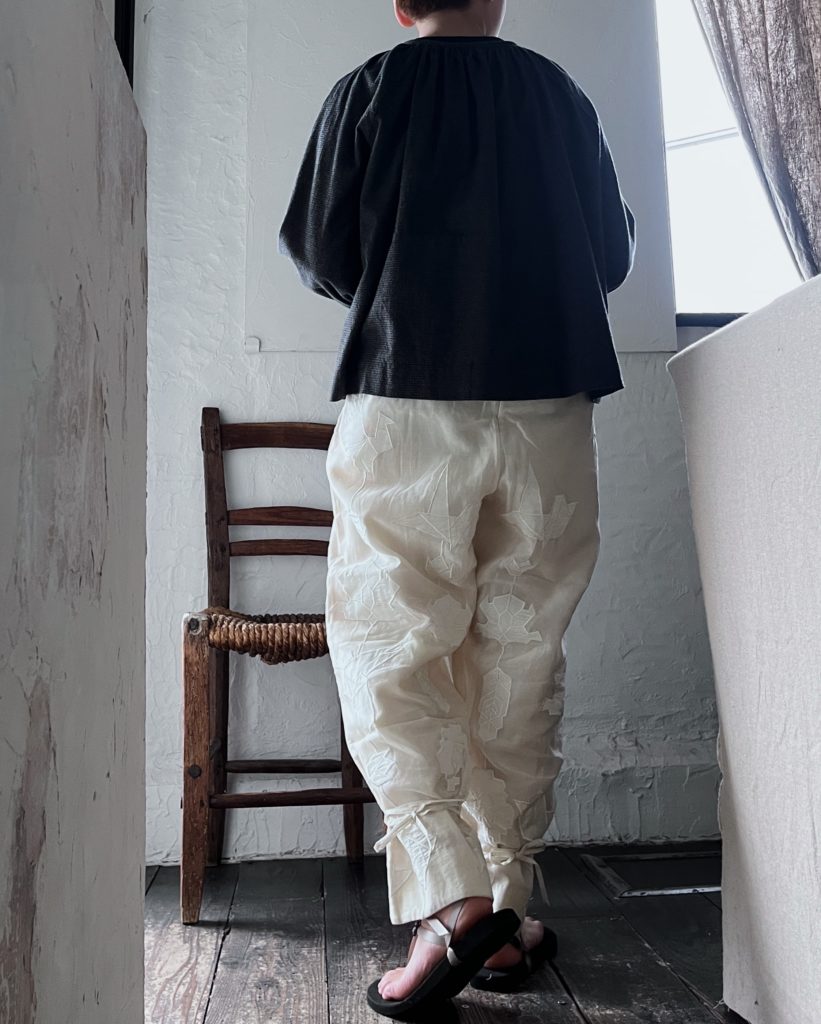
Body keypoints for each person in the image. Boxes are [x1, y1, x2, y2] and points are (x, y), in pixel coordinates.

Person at [279, 0, 636, 1016]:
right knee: (520, 649)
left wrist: (405, 277)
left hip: (406, 389)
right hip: (549, 396)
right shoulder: (558, 95)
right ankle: (506, 907)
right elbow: (608, 257)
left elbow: (319, 249)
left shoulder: (369, 89)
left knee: (387, 639)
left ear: (402, 3)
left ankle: (448, 898)